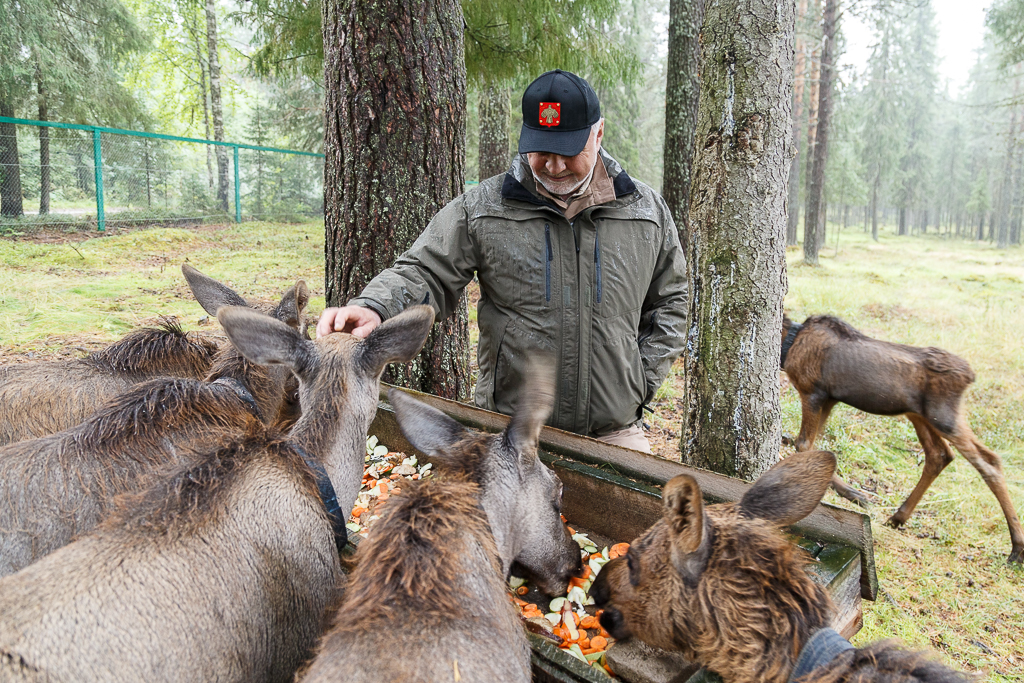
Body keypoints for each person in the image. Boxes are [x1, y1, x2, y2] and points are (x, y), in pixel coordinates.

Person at [317, 69, 687, 452]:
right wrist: (375, 307)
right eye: (542, 149)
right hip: (507, 430)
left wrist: (639, 381)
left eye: (568, 150)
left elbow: (671, 301)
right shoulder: (484, 208)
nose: (554, 166)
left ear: (599, 133)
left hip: (615, 433)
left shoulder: (645, 212)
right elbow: (425, 271)